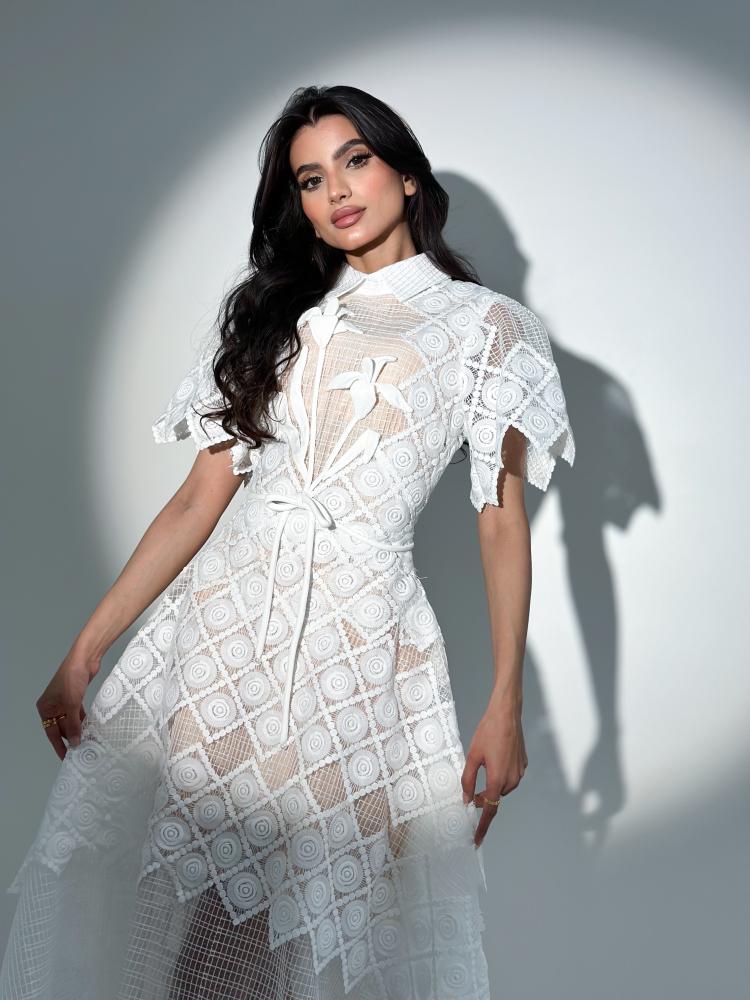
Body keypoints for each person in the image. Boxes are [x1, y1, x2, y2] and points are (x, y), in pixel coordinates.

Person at [0, 84, 575, 1000]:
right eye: (310, 179)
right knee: (188, 913)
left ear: (407, 176)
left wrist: (504, 701)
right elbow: (198, 500)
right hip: (224, 638)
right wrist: (84, 651)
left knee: (296, 916)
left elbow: (500, 517)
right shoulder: (281, 318)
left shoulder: (486, 327)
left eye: (355, 161)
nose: (336, 190)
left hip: (355, 646)